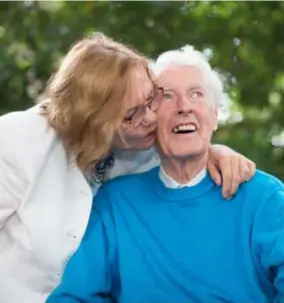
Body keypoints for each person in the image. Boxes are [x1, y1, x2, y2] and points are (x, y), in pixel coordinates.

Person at [0, 33, 255, 303]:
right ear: (93, 120)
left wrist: (217, 151)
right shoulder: (16, 141)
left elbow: (185, 150)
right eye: (131, 114)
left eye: (152, 98)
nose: (150, 117)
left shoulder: (144, 146)